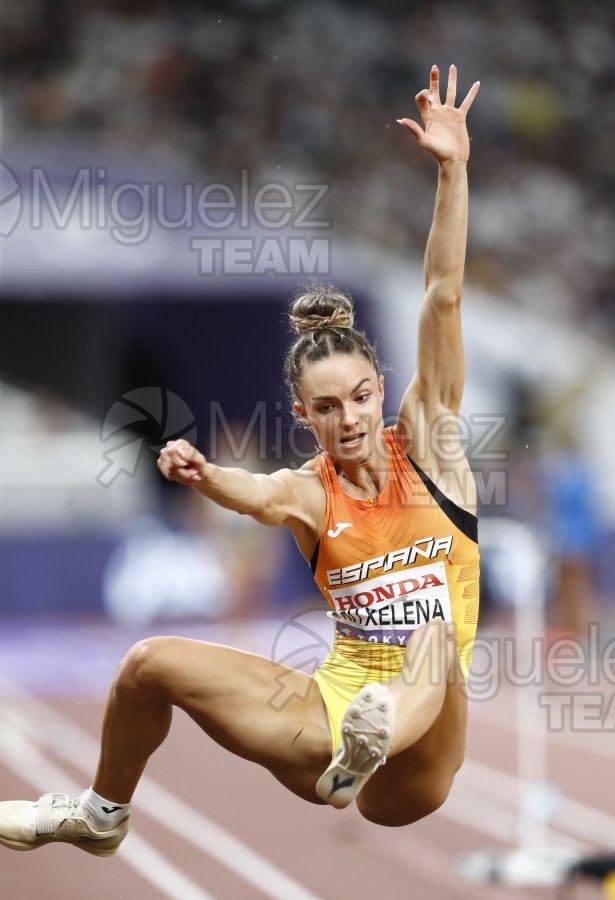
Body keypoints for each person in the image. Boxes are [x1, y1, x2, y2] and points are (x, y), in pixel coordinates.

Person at [0, 63, 480, 853]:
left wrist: (453, 172)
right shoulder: (307, 493)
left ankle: (374, 732)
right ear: (305, 415)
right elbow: (254, 494)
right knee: (147, 663)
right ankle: (99, 815)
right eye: (327, 408)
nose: (350, 417)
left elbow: (442, 296)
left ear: (381, 389)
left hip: (417, 753)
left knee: (431, 635)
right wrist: (202, 473)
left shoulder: (430, 447)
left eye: (360, 397)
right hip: (329, 721)